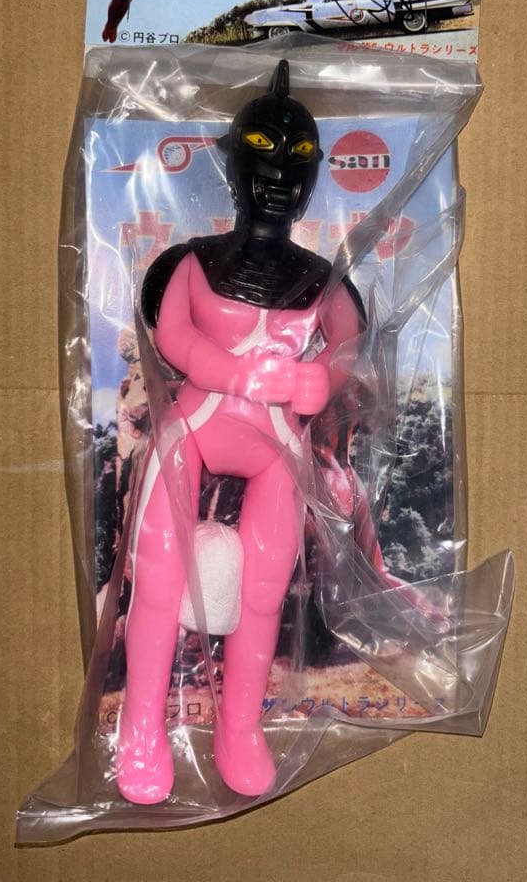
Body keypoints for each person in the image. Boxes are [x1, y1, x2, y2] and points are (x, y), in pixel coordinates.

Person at [116, 61, 364, 803]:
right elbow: (172, 334)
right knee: (159, 581)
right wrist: (229, 372)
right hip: (193, 428)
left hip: (275, 445)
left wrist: (322, 381)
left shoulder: (321, 280)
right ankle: (140, 728)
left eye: (298, 159)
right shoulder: (195, 263)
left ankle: (241, 728)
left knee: (262, 590)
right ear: (233, 163)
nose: (279, 177)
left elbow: (348, 347)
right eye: (261, 152)